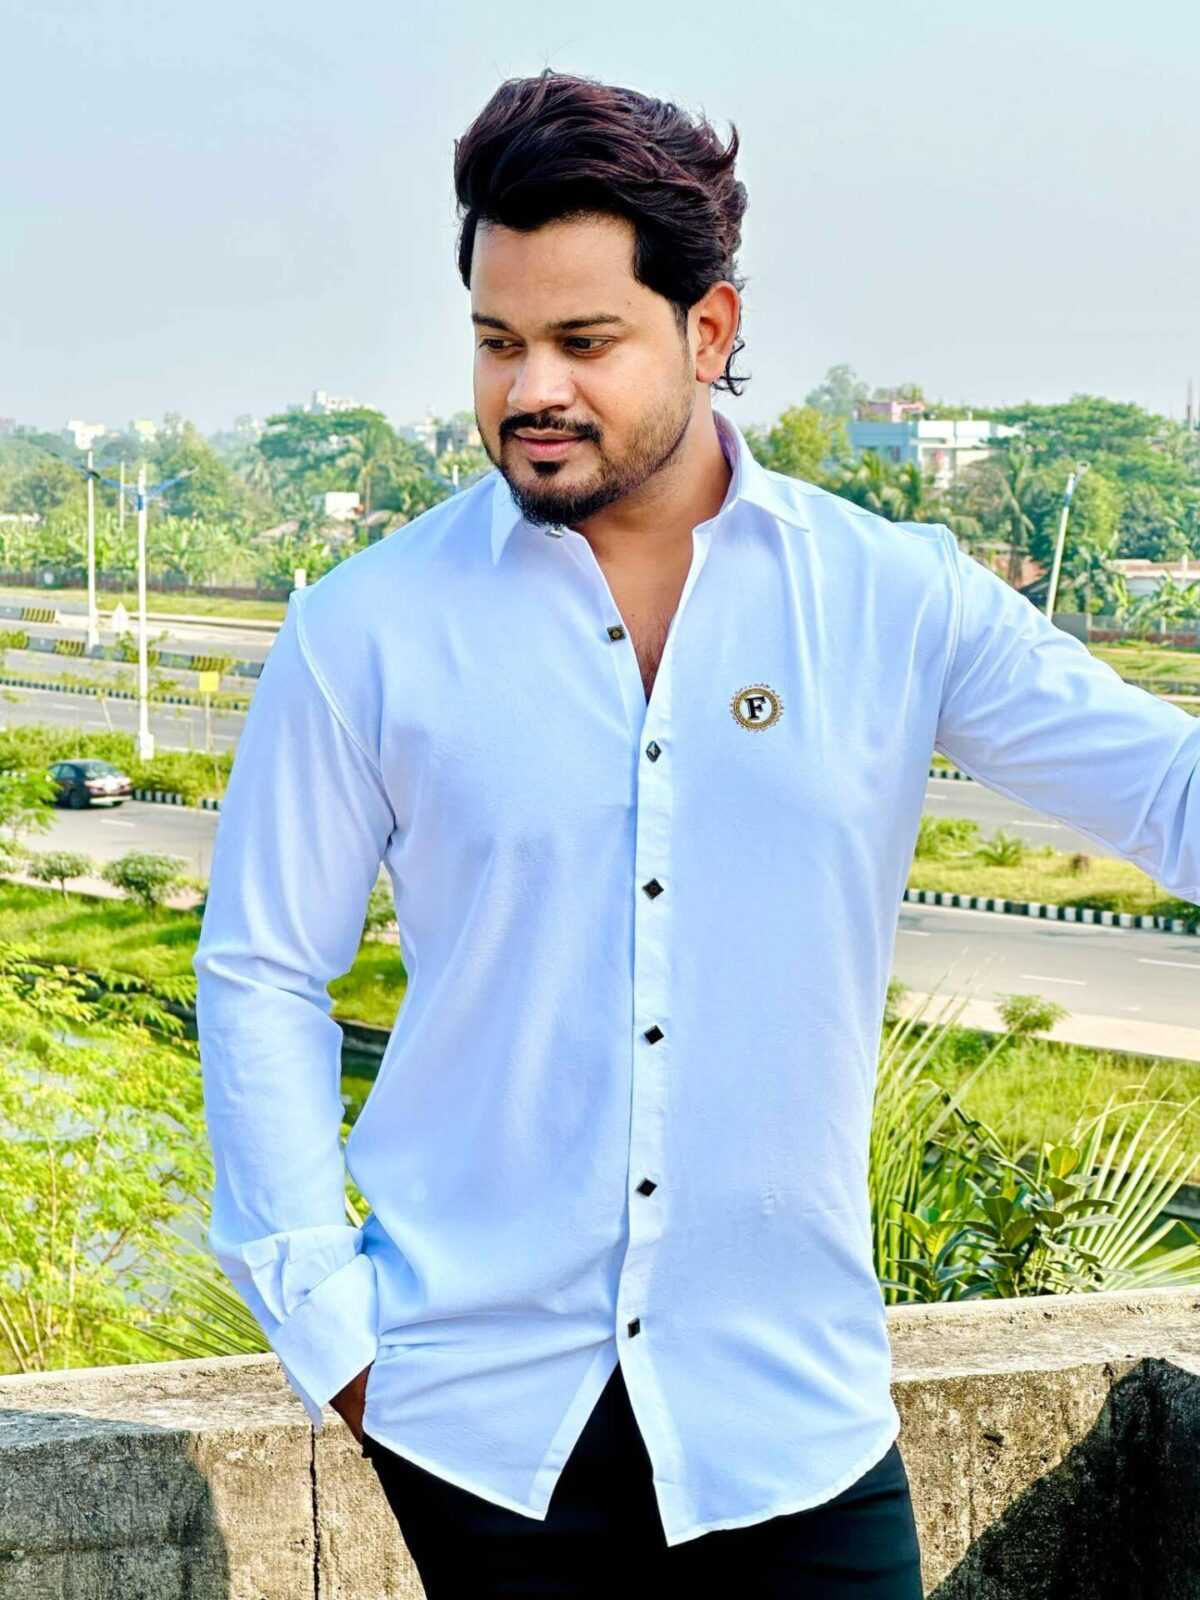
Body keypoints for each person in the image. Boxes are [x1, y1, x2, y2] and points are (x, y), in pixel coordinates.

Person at [194, 67, 1200, 1599]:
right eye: (497, 342)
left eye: (584, 341)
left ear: (710, 331)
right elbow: (262, 968)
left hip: (792, 1420)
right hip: (483, 1434)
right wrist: (330, 1330)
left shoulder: (891, 597)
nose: (531, 389)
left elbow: (1169, 794)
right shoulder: (368, 630)